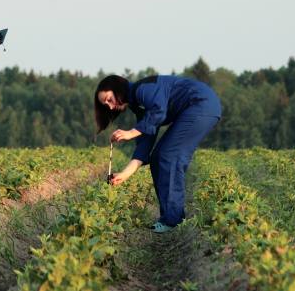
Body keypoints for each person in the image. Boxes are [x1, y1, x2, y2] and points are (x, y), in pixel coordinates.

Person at [94, 75, 222, 233]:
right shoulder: (139, 106)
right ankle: (170, 218)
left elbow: (158, 111)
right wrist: (124, 174)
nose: (110, 107)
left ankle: (173, 221)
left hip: (201, 104)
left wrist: (131, 132)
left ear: (118, 88)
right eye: (105, 105)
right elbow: (145, 142)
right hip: (199, 107)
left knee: (168, 156)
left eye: (109, 99)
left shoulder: (142, 90)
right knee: (158, 157)